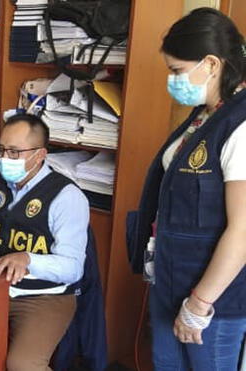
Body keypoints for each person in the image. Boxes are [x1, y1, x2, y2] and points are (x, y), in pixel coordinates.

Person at [127, 8, 246, 370]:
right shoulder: (204, 115)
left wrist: (199, 304)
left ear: (211, 63)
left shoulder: (240, 125)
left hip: (211, 304)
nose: (172, 80)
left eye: (177, 70)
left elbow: (242, 230)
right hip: (172, 283)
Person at [0, 114, 89, 370]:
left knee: (22, 364)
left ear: (40, 154)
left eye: (14, 152)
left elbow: (73, 268)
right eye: (1, 150)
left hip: (43, 296)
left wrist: (28, 259)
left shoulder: (66, 196)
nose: (4, 159)